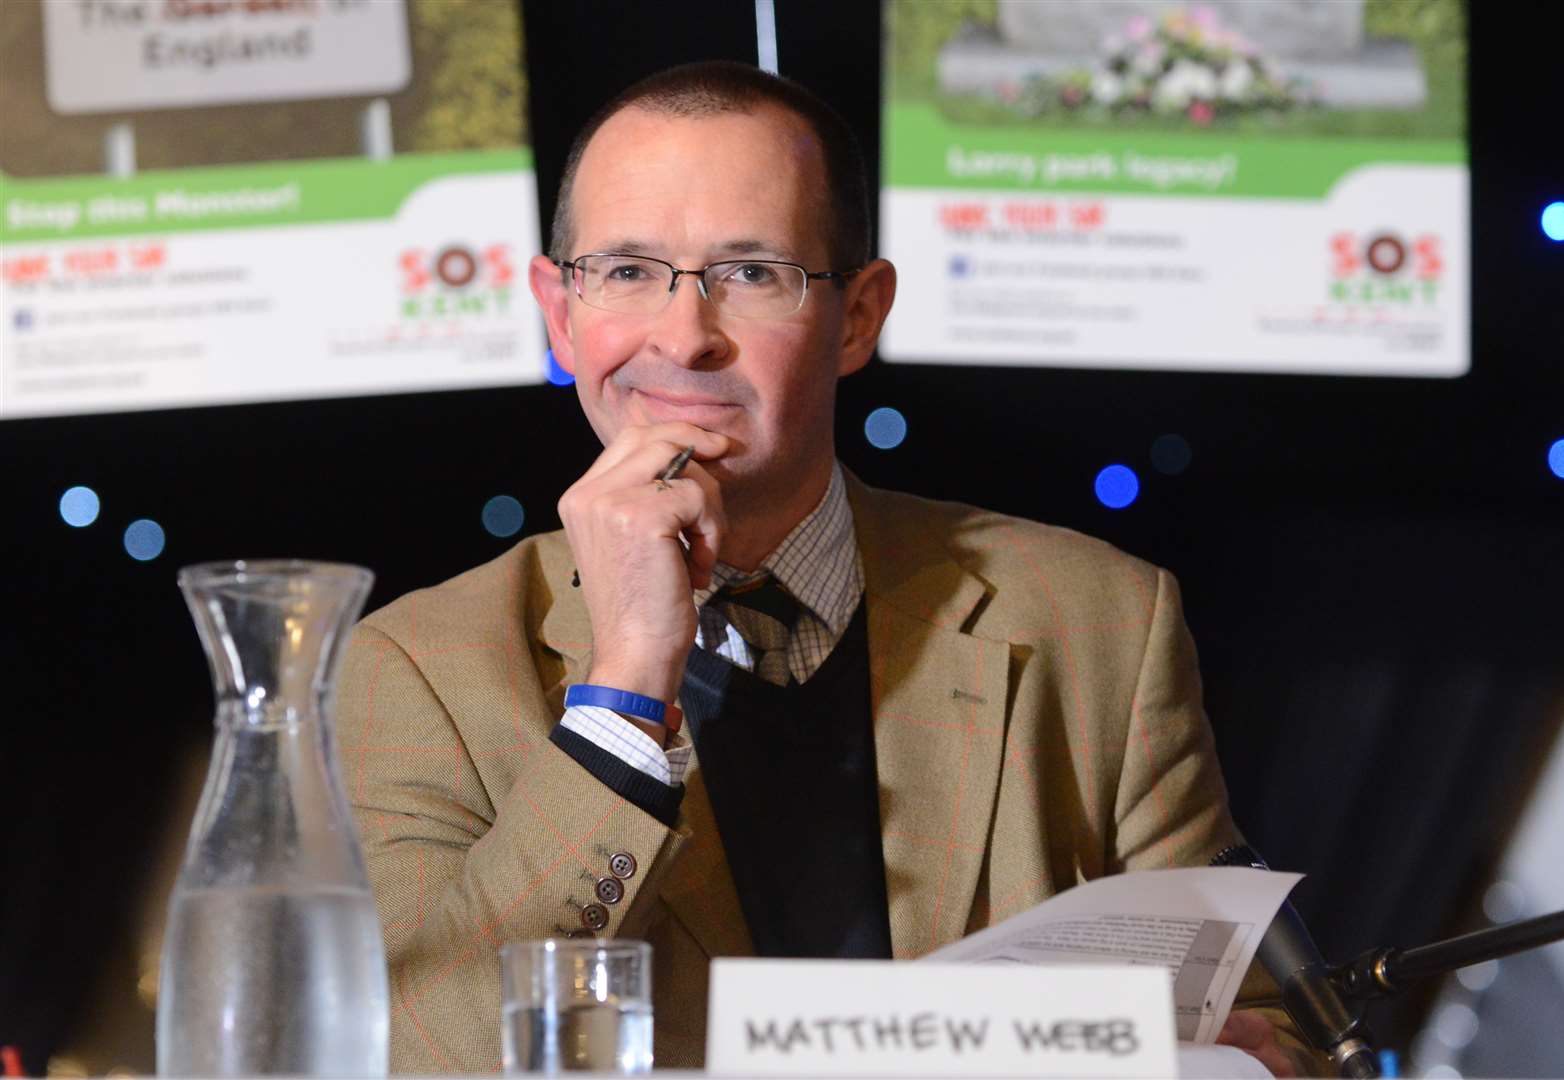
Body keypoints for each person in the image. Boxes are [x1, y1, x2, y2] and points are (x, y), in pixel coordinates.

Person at [334, 60, 1322, 1077]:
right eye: (627, 271)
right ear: (560, 310)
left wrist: (1258, 1063)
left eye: (751, 273)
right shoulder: (416, 666)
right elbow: (416, 1053)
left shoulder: (1101, 619)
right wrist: (626, 679)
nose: (684, 335)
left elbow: (1259, 1025)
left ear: (858, 316)